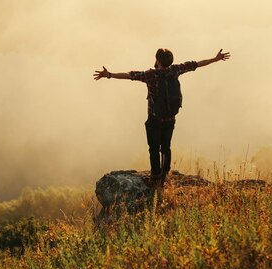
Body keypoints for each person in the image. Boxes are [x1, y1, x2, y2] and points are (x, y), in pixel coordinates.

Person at [93, 48, 230, 186]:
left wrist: (109, 74)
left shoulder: (152, 75)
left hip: (154, 119)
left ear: (157, 60)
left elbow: (130, 75)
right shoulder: (176, 70)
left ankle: (155, 178)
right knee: (166, 147)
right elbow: (197, 64)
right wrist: (216, 58)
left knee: (153, 148)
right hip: (170, 119)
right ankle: (165, 174)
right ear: (171, 60)